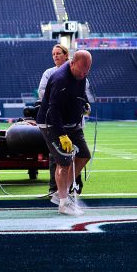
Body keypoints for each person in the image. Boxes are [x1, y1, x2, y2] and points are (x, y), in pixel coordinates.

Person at [38, 50, 93, 216]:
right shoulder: (60, 79)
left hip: (72, 123)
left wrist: (85, 104)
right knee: (64, 161)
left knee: (83, 155)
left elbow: (81, 93)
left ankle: (61, 192)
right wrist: (61, 135)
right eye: (80, 71)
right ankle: (63, 202)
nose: (83, 74)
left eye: (86, 71)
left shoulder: (81, 75)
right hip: (51, 123)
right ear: (72, 63)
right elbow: (53, 110)